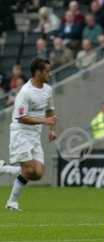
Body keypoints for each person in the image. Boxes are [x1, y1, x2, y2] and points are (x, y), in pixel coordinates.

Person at [0, 58, 57, 211]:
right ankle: (12, 201)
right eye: (46, 71)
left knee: (37, 173)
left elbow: (50, 111)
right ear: (37, 72)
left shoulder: (48, 90)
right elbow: (21, 118)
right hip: (21, 133)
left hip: (35, 134)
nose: (49, 73)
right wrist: (45, 121)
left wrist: (52, 129)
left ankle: (4, 168)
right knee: (29, 169)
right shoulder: (25, 92)